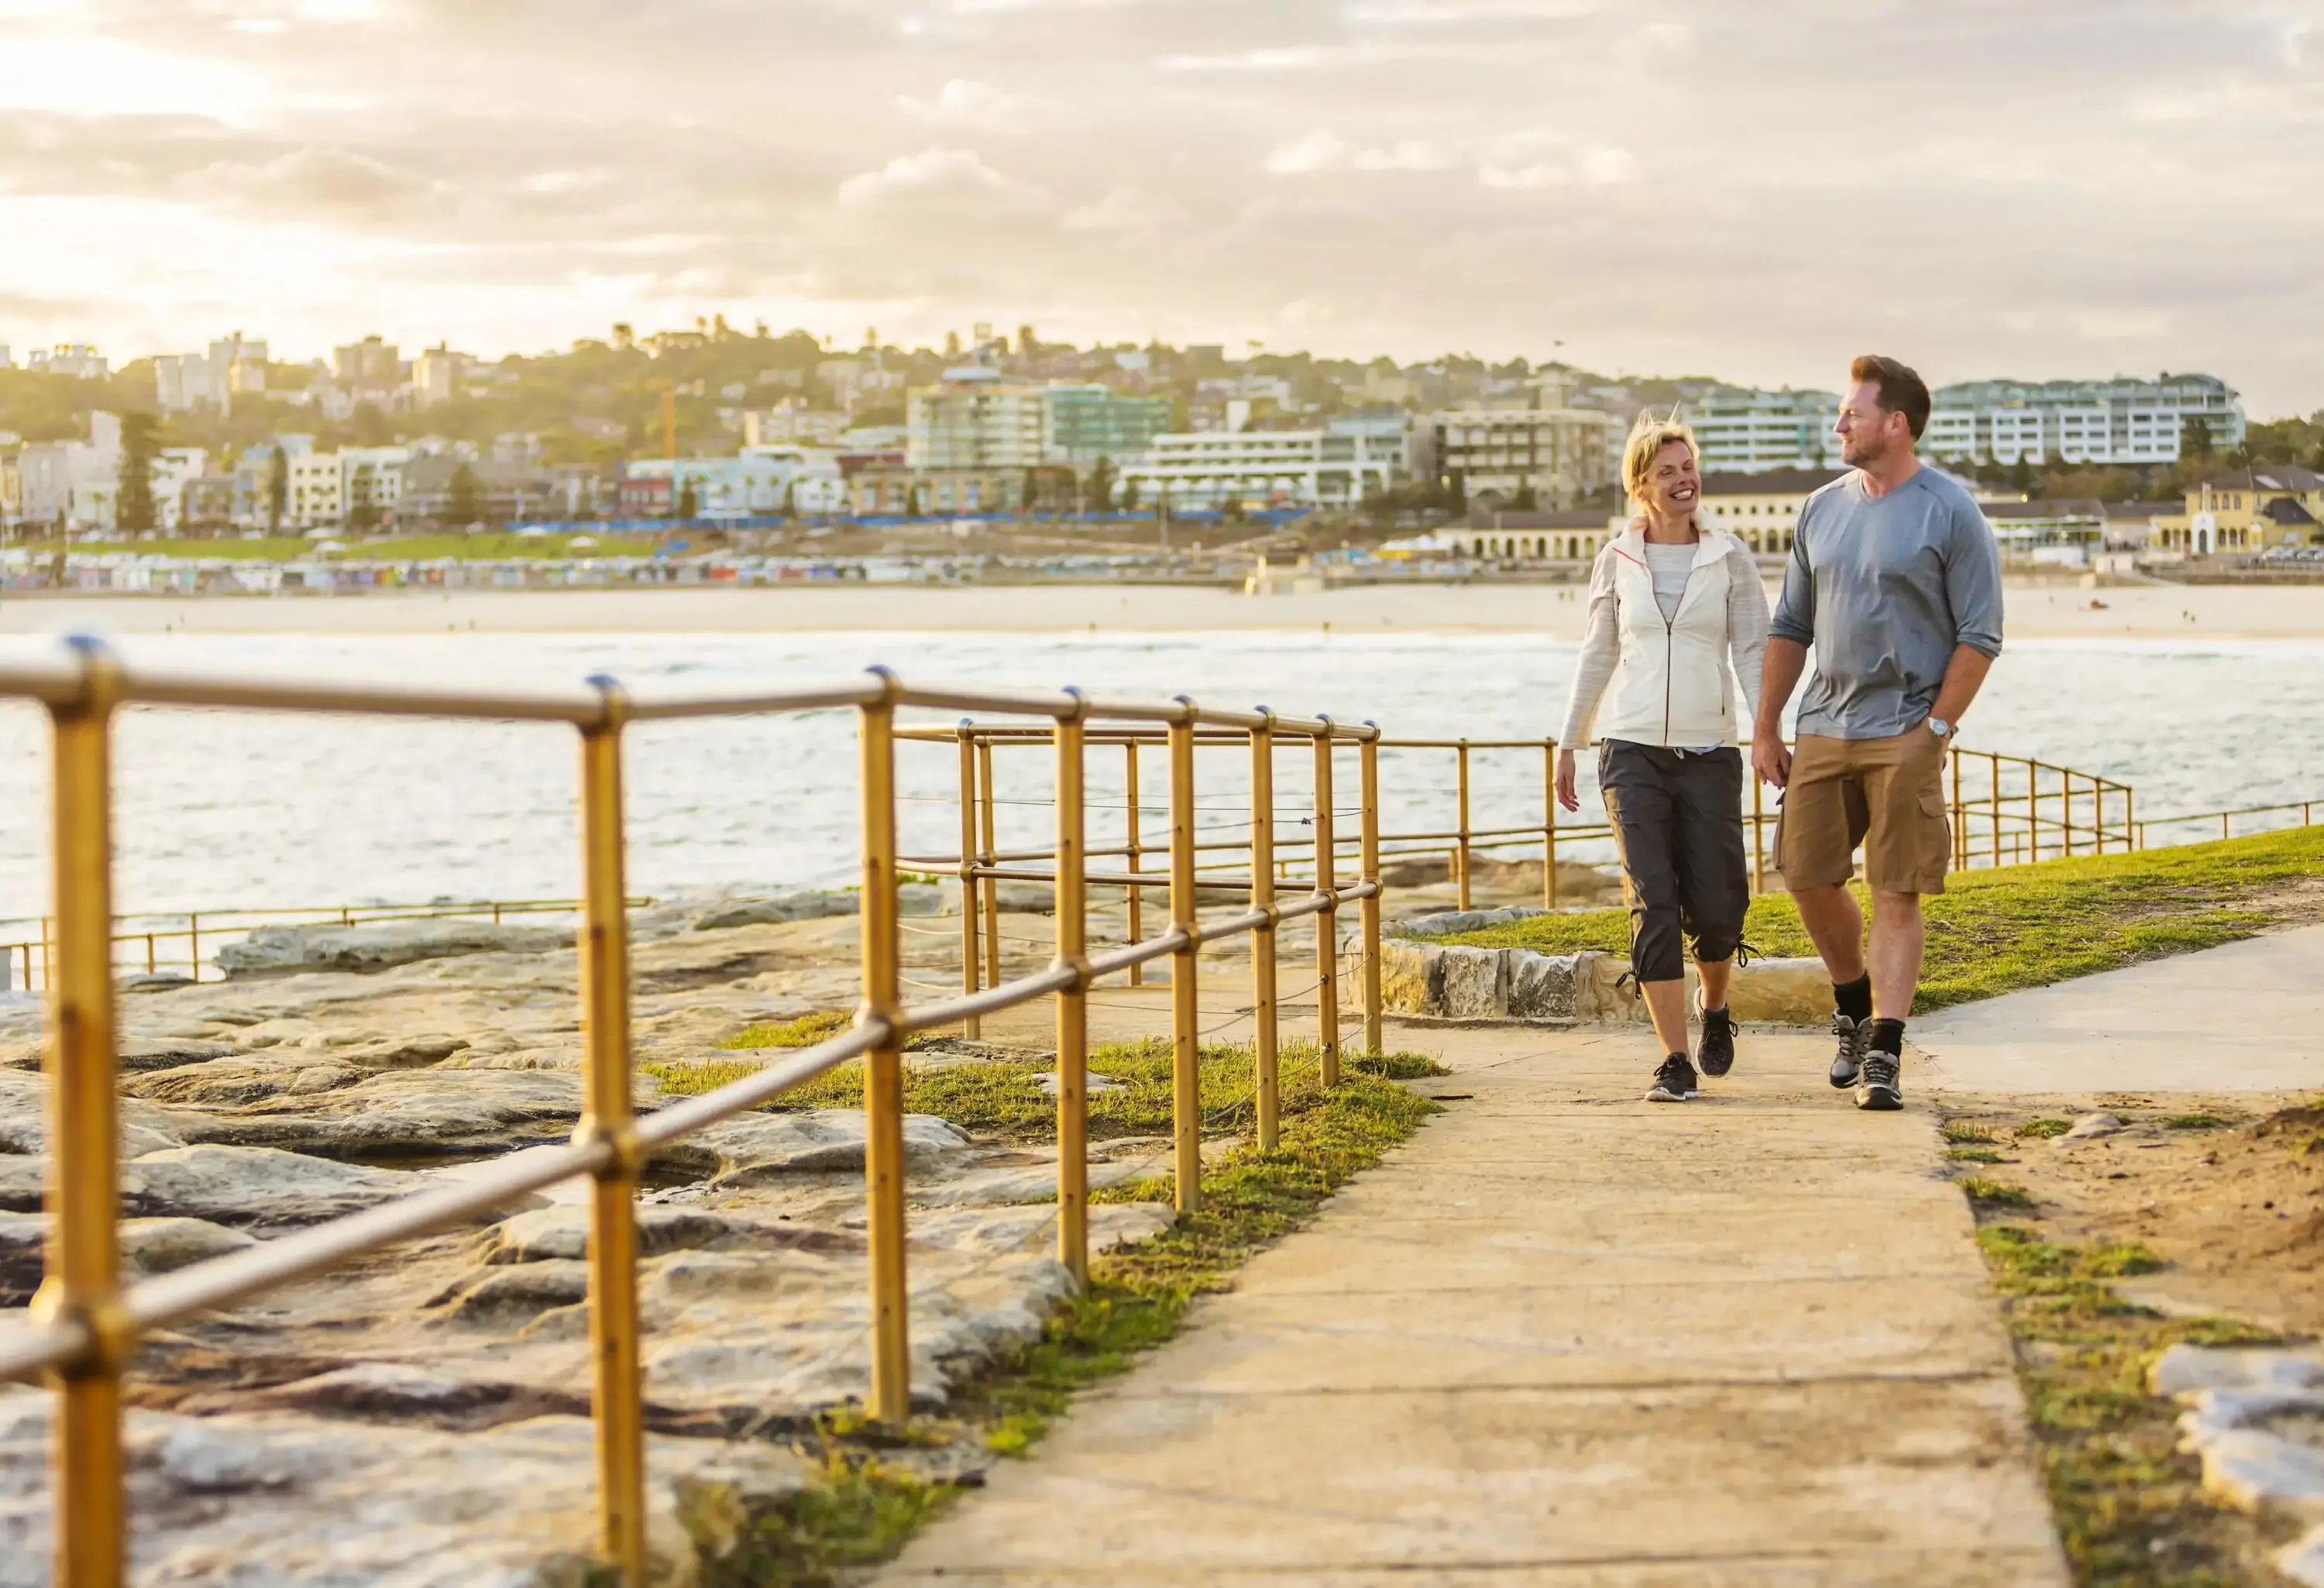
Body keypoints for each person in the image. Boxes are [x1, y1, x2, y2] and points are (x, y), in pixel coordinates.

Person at [1752, 355, 2003, 1112]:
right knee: (1803, 870)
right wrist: (1765, 726)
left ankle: (1885, 1052)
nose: (1839, 424)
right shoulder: (1819, 509)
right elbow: (1791, 625)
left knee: (1898, 890)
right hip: (1825, 723)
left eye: (1851, 412)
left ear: (1894, 423)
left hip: (1907, 728)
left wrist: (1936, 728)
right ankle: (1854, 1007)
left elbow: (1980, 635)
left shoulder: (1950, 511)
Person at [1557, 410, 1769, 1103]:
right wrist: (1570, 742)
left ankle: (1715, 1008)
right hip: (1632, 748)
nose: (1685, 481)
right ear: (1641, 486)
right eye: (1668, 472)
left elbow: (1753, 652)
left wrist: (1767, 733)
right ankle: (1674, 1060)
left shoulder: (1730, 555)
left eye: (1689, 468)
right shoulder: (1617, 558)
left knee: (1716, 905)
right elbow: (1599, 653)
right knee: (1653, 901)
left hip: (1710, 751)